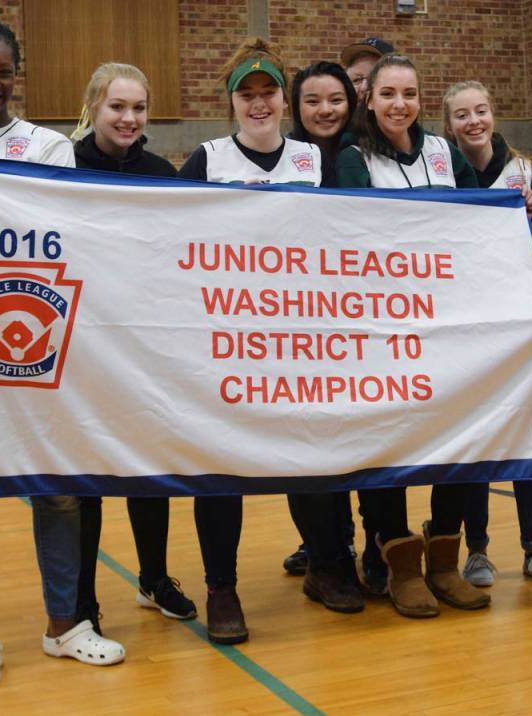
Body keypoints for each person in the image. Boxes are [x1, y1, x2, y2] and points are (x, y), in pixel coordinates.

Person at [0, 17, 124, 689]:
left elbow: (64, 233)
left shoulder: (47, 149)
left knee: (59, 490)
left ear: (18, 75)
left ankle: (64, 624)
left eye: (1, 71)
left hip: (43, 335)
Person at [178, 36, 324, 642]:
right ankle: (222, 587)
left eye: (268, 92)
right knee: (222, 464)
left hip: (302, 335)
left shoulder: (316, 160)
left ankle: (326, 560)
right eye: (247, 93)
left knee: (310, 454)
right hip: (227, 334)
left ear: (283, 100)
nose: (259, 103)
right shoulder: (206, 160)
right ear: (232, 101)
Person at [336, 54, 490, 618]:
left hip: (451, 323)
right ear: (369, 101)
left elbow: (481, 218)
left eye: (410, 93)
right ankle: (398, 561)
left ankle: (445, 558)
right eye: (389, 94)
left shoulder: (446, 153)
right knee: (390, 441)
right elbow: (356, 232)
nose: (400, 104)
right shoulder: (352, 159)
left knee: (458, 436)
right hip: (382, 328)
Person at [70, 62, 197, 628]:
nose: (128, 117)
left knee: (148, 469)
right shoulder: (61, 165)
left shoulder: (158, 171)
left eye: (139, 108)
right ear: (94, 106)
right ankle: (82, 600)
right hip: (80, 345)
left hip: (143, 346)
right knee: (86, 478)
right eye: (117, 106)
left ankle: (152, 578)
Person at [440, 79, 532, 590]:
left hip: (520, 322)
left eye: (482, 110)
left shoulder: (526, 172)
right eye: (462, 115)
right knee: (477, 440)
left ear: (494, 114)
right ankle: (477, 550)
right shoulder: (443, 172)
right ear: (448, 125)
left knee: (526, 436)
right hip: (466, 323)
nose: (474, 121)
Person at [280, 60, 366, 612]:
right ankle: (326, 557)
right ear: (297, 107)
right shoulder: (285, 159)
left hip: (356, 322)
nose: (325, 110)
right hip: (290, 326)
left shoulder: (362, 158)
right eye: (312, 101)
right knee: (305, 445)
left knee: (352, 442)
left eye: (335, 99)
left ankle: (352, 550)